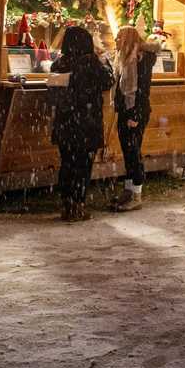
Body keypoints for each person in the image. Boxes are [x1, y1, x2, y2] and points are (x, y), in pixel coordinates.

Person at [49, 26, 114, 222]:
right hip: (87, 123)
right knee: (83, 167)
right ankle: (78, 205)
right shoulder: (91, 64)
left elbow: (53, 92)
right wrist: (106, 62)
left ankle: (66, 204)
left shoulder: (59, 64)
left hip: (65, 122)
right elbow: (108, 81)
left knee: (67, 164)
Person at [111, 25, 161, 212]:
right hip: (127, 110)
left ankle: (136, 195)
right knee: (128, 151)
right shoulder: (126, 58)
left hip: (135, 111)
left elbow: (140, 90)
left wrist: (135, 115)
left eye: (118, 37)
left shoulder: (141, 59)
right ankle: (129, 190)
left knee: (133, 152)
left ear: (127, 39)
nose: (116, 40)